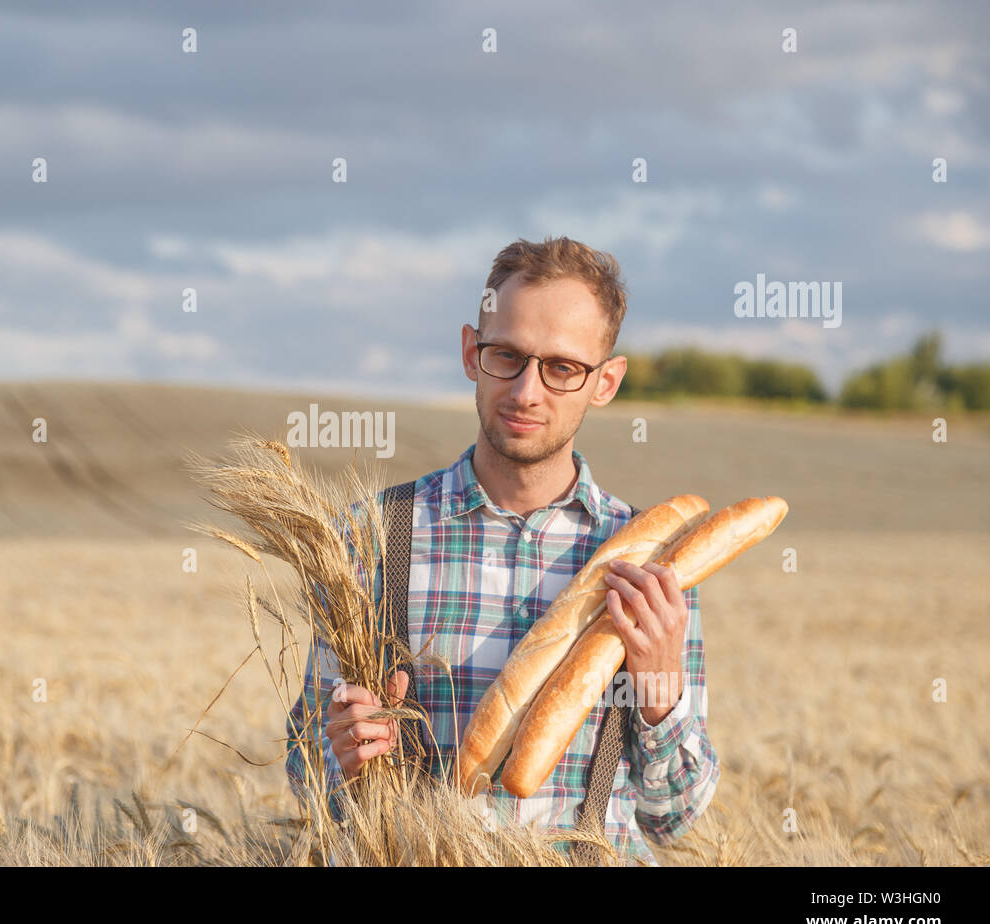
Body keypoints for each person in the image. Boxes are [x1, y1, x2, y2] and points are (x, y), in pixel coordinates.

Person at [285, 235, 720, 865]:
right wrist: (343, 757)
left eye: (562, 368)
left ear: (606, 382)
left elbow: (673, 820)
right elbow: (306, 766)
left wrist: (659, 690)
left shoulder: (655, 563)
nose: (525, 392)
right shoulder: (369, 539)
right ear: (471, 351)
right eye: (506, 356)